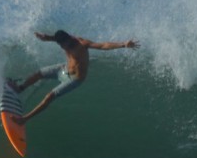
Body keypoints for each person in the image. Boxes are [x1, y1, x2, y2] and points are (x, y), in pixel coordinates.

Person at [10, 30, 139, 125]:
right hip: (64, 70)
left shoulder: (82, 43)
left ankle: (24, 120)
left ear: (70, 39)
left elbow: (103, 45)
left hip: (75, 79)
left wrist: (123, 44)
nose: (64, 47)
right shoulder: (62, 41)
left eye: (65, 45)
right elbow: (56, 39)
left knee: (49, 96)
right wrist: (46, 38)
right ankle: (20, 88)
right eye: (62, 45)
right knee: (38, 74)